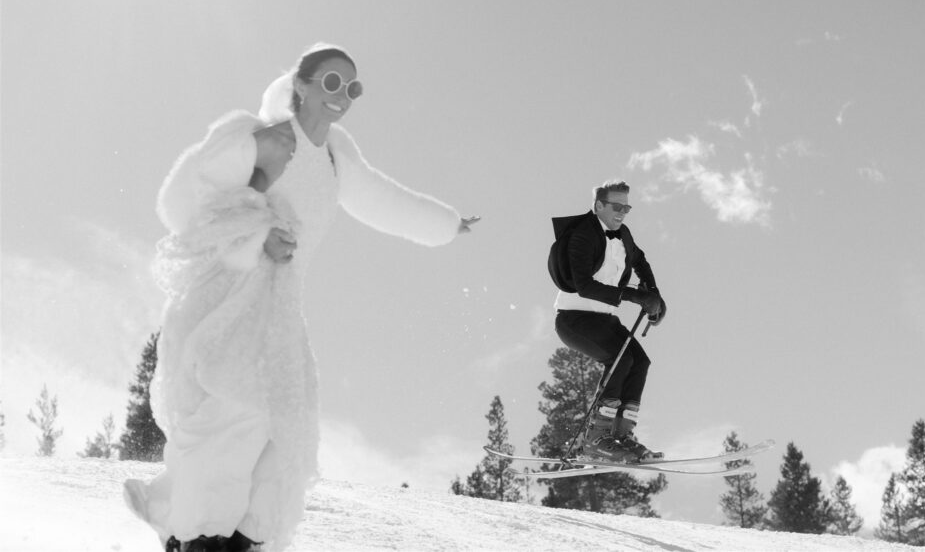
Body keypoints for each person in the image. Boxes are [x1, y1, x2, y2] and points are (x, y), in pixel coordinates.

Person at [124, 43, 480, 552]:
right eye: (332, 82)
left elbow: (383, 199)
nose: (342, 96)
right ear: (301, 84)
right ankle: (197, 534)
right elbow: (183, 202)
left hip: (282, 310)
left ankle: (238, 539)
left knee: (282, 432)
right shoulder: (268, 139)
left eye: (353, 88)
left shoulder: (335, 156)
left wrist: (447, 224)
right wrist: (259, 231)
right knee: (237, 412)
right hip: (232, 297)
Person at [551, 180, 667, 463]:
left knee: (640, 362)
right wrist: (634, 296)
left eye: (627, 208)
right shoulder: (583, 235)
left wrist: (654, 295)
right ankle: (596, 439)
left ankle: (620, 436)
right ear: (599, 205)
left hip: (604, 320)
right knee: (620, 360)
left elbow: (640, 261)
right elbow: (584, 286)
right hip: (574, 319)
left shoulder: (623, 234)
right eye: (617, 207)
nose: (622, 213)